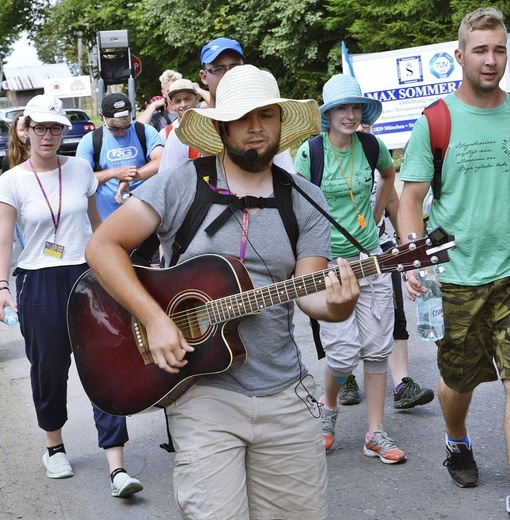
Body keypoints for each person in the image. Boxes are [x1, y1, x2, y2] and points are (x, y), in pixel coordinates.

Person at [84, 64, 360, 518]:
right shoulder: (181, 184)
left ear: (279, 122)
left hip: (285, 395)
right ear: (221, 125)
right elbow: (102, 246)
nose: (256, 128)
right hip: (201, 394)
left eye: (267, 115)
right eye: (243, 117)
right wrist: (154, 320)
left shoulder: (305, 198)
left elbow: (309, 293)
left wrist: (338, 304)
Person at [0, 94, 142, 498]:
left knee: (106, 362)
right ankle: (54, 447)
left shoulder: (80, 168)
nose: (48, 135)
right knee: (49, 369)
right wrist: (2, 287)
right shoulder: (11, 181)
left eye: (56, 128)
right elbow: (4, 242)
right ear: (25, 130)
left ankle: (117, 465)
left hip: (87, 273)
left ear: (65, 131)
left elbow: (98, 227)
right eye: (41, 127)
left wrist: (118, 267)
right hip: (38, 281)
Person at [397, 6, 510, 498]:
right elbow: (411, 199)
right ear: (459, 55)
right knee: (457, 382)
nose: (491, 60)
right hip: (458, 277)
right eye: (481, 50)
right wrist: (411, 255)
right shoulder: (436, 122)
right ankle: (457, 440)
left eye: (500, 49)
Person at [294, 73, 406, 463]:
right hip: (328, 265)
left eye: (355, 107)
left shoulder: (372, 145)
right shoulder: (311, 152)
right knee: (342, 355)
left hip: (369, 256)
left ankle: (374, 433)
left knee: (377, 349)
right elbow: (298, 206)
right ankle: (328, 407)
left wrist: (375, 220)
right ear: (328, 114)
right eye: (342, 107)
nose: (350, 114)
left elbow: (390, 177)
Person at [338, 126, 434, 410]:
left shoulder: (375, 162)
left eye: (365, 122)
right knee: (342, 318)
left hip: (378, 250)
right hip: (339, 256)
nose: (359, 126)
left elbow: (397, 211)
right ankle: (347, 379)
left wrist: (411, 264)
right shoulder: (324, 161)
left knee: (394, 312)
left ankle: (402, 384)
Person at [158, 37, 296, 173]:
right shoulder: (183, 133)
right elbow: (164, 190)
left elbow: (287, 183)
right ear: (203, 76)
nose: (229, 74)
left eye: (235, 67)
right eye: (219, 69)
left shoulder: (265, 130)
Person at [76, 93, 164, 217]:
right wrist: (114, 173)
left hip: (146, 212)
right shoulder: (90, 140)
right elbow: (81, 179)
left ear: (131, 111)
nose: (121, 132)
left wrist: (130, 177)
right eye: (114, 128)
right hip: (106, 216)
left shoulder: (145, 131)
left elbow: (161, 161)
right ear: (102, 117)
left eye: (126, 126)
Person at [158, 79, 202, 158]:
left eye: (187, 99)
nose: (183, 104)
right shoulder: (165, 134)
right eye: (178, 101)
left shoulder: (211, 125)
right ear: (172, 105)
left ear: (197, 98)